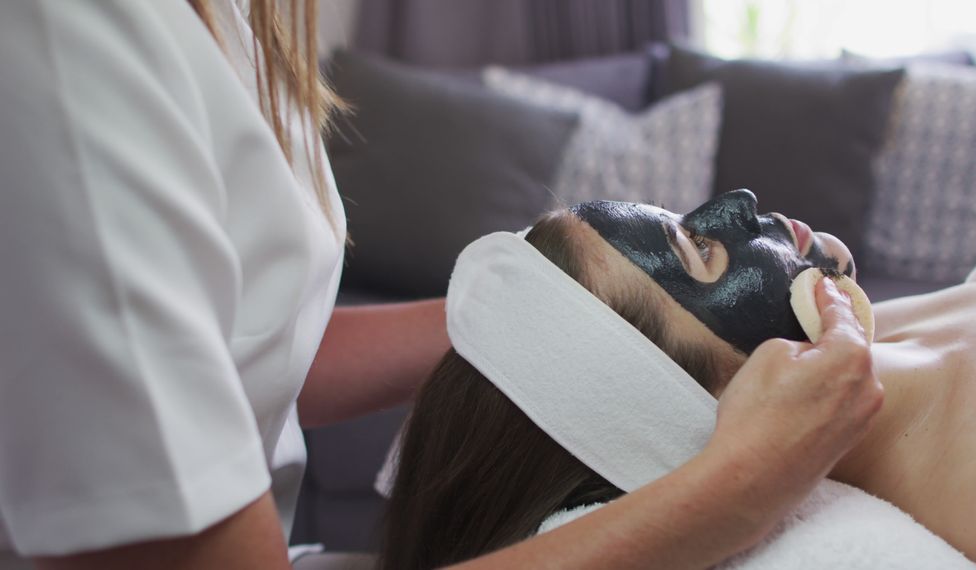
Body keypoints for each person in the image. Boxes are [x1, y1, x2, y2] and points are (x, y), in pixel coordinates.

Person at [0, 2, 882, 569]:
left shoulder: (237, 19)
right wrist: (741, 484)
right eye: (694, 250)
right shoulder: (65, 40)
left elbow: (238, 349)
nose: (744, 206)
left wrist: (543, 323)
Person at [383, 190, 976, 570]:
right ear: (719, 402)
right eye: (703, 254)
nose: (737, 203)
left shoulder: (911, 326)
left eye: (684, 218)